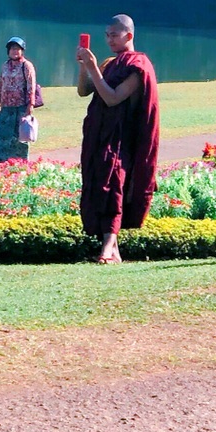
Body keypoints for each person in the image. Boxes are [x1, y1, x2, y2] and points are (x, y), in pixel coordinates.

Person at [77, 15, 160, 263]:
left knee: (113, 186)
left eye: (115, 34)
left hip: (122, 140)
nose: (109, 39)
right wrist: (84, 66)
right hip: (99, 136)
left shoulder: (138, 66)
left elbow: (112, 98)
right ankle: (113, 250)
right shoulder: (109, 63)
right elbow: (84, 90)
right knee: (99, 185)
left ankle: (107, 248)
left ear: (129, 36)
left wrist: (93, 68)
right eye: (107, 35)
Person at [0, 36, 44, 163]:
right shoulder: (5, 66)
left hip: (21, 106)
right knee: (0, 133)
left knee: (20, 136)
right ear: (8, 51)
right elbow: (1, 84)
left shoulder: (26, 66)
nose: (14, 51)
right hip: (7, 106)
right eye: (12, 49)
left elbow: (31, 86)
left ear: (22, 51)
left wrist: (31, 105)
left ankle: (20, 162)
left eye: (17, 49)